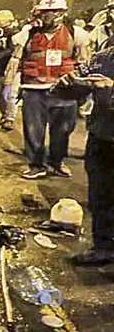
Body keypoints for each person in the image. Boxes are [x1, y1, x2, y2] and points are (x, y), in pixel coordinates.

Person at [4, 0, 91, 179]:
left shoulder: (76, 34)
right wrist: (9, 85)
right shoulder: (28, 33)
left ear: (61, 13)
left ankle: (56, 162)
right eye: (43, 13)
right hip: (34, 90)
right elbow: (15, 53)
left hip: (64, 91)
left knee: (62, 131)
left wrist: (82, 89)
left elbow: (84, 62)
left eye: (50, 13)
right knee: (34, 130)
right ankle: (37, 165)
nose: (45, 17)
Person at [65, 47, 114, 270]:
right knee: (99, 196)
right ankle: (102, 247)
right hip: (101, 136)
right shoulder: (102, 57)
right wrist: (69, 84)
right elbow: (73, 86)